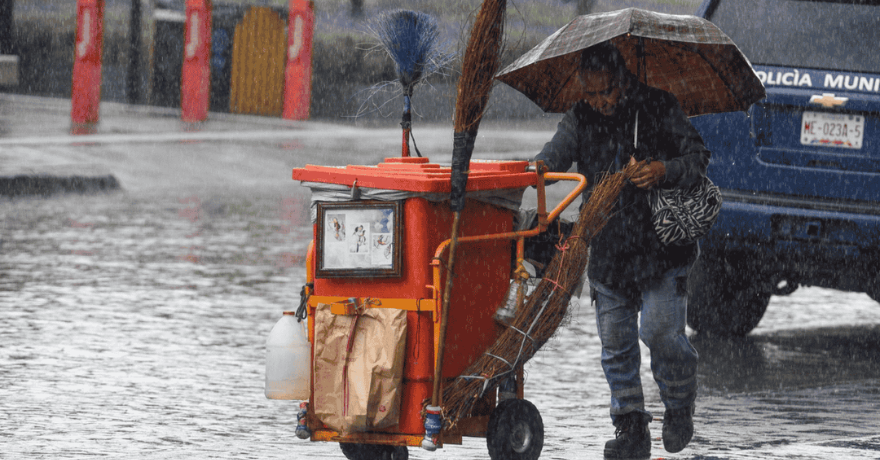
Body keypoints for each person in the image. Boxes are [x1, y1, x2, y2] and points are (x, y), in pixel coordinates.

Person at [533, 42, 708, 459]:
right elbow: (553, 154)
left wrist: (663, 170)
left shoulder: (660, 107)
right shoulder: (580, 118)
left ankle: (680, 404)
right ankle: (631, 428)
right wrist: (533, 169)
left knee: (660, 333)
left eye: (606, 92)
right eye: (591, 94)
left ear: (624, 81)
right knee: (616, 346)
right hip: (609, 251)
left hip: (661, 249)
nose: (600, 102)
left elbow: (698, 157)